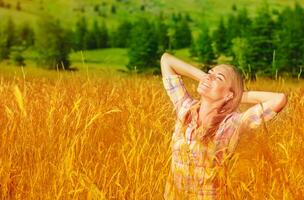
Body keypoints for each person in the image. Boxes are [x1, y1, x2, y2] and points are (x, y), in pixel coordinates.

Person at [160, 52, 287, 199]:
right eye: (209, 73)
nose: (208, 77)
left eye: (218, 78)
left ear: (229, 95)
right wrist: (206, 79)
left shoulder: (231, 125)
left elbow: (279, 99)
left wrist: (239, 95)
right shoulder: (185, 109)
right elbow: (166, 60)